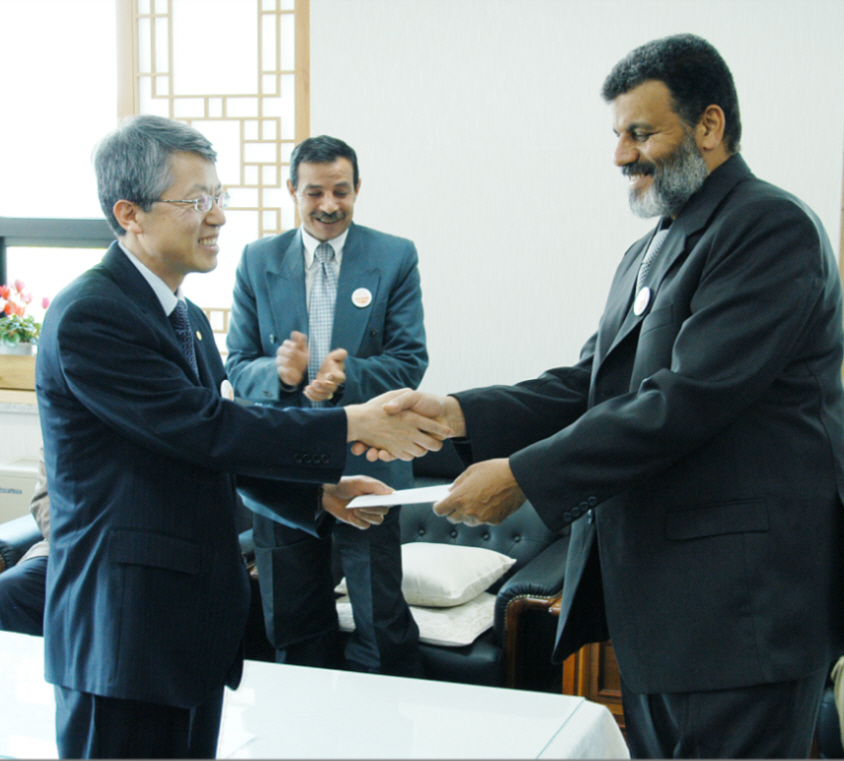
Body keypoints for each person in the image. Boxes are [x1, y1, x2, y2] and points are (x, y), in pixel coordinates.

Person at [363, 34, 844, 758]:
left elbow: (683, 400)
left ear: (709, 126)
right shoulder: (651, 247)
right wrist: (459, 413)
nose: (621, 154)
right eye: (618, 134)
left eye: (641, 132)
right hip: (666, 615)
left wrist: (524, 476)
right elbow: (589, 386)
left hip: (746, 618)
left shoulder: (768, 228)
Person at [35, 115, 449, 759]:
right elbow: (206, 429)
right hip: (125, 629)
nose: (219, 216)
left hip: (185, 632)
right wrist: (348, 423)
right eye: (196, 200)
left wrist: (317, 494)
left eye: (219, 196)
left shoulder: (187, 317)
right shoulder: (93, 313)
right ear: (131, 213)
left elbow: (205, 452)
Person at [226, 135, 425, 676]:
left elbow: (410, 361)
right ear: (293, 190)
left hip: (368, 462)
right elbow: (238, 362)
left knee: (379, 621)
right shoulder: (256, 259)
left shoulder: (393, 256)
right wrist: (281, 375)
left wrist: (344, 379)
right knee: (291, 623)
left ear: (358, 188)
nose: (329, 204)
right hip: (283, 466)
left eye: (341, 190)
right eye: (314, 192)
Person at [0, 447, 48, 636]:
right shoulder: (61, 427)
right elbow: (43, 501)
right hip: (65, 546)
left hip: (130, 545)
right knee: (8, 591)